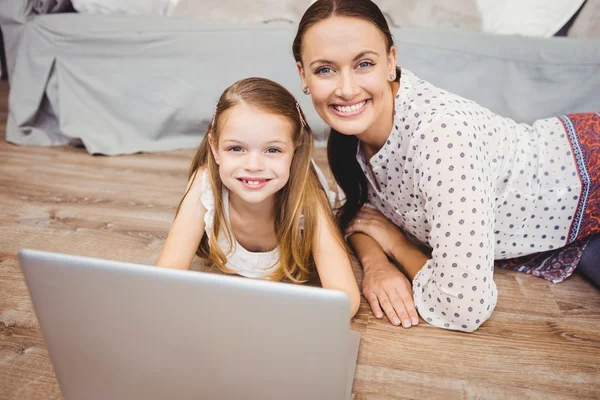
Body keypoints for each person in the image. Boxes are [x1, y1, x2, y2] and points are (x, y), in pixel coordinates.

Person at [292, 0, 600, 332]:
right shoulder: (351, 135)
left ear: (391, 62)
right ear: (302, 74)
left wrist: (397, 245)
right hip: (553, 231)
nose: (347, 89)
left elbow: (463, 306)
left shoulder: (441, 135)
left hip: (583, 180)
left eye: (364, 64)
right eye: (325, 69)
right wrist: (376, 264)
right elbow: (360, 212)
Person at [157, 77, 361, 318]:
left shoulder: (309, 199)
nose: (253, 166)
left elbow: (345, 301)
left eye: (272, 150)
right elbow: (165, 279)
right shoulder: (205, 183)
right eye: (236, 148)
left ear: (294, 150)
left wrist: (267, 317)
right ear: (215, 148)